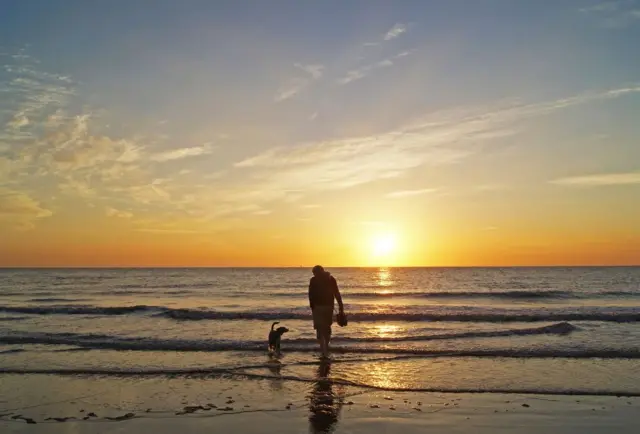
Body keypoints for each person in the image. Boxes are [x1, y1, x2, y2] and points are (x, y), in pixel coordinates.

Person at [308, 265, 344, 358]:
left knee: (320, 328)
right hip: (327, 307)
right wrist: (341, 306)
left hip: (319, 307)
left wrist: (312, 305)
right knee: (325, 327)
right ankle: (325, 347)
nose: (314, 274)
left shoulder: (314, 280)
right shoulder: (330, 279)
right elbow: (336, 293)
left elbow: (310, 294)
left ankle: (323, 348)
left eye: (314, 273)